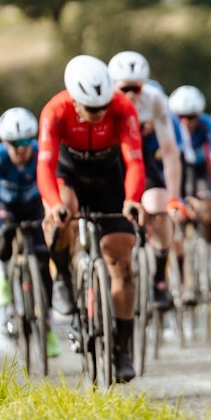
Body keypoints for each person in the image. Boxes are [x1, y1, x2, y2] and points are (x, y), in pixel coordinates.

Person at [38, 54, 146, 383]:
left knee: (122, 259)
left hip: (109, 179)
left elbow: (135, 161)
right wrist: (54, 204)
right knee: (61, 217)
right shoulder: (55, 111)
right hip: (69, 176)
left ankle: (122, 347)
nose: (99, 113)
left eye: (103, 107)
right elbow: (44, 166)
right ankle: (63, 277)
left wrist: (131, 199)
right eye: (91, 108)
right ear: (73, 98)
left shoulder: (122, 108)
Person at [0, 107, 62, 359]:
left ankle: (47, 325)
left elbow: (51, 186)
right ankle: (3, 278)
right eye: (15, 144)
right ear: (5, 143)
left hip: (33, 207)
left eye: (26, 142)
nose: (21, 149)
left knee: (43, 260)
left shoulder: (40, 155)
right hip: (8, 209)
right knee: (4, 238)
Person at [108, 51, 183, 309]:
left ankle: (159, 277)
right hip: (109, 162)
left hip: (140, 160)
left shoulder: (154, 100)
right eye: (124, 88)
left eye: (136, 88)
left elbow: (170, 151)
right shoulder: (104, 100)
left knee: (160, 211)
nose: (130, 94)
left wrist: (173, 195)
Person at [167, 84, 211, 301]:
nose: (187, 122)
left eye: (192, 117)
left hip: (200, 170)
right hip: (180, 167)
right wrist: (177, 199)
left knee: (208, 209)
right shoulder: (171, 124)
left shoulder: (207, 124)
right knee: (176, 216)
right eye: (182, 117)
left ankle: (210, 264)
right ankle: (182, 281)